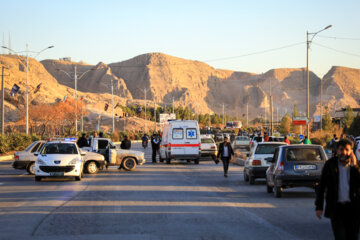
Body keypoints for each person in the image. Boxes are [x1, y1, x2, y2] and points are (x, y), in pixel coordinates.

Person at [315, 139, 360, 240]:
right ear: (337, 151)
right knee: (340, 237)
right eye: (341, 149)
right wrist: (319, 206)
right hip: (336, 209)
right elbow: (321, 186)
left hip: (353, 209)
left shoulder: (357, 166)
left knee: (353, 237)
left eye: (347, 150)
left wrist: (355, 167)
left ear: (351, 152)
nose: (344, 152)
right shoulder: (330, 165)